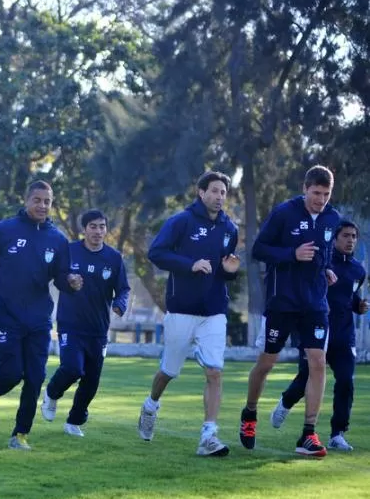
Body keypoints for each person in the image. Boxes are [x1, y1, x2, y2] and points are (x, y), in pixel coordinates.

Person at [137, 171, 239, 457]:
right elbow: (156, 253)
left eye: (223, 193)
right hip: (181, 310)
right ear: (201, 192)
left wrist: (230, 272)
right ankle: (150, 405)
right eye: (215, 191)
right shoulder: (181, 221)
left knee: (215, 372)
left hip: (214, 312)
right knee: (168, 371)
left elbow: (222, 269)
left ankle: (209, 435)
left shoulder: (230, 228)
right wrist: (189, 264)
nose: (220, 197)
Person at [241, 165, 341, 458]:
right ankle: (249, 414)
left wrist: (328, 269)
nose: (321, 199)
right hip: (282, 302)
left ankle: (308, 434)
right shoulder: (284, 213)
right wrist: (291, 254)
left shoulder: (332, 218)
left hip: (315, 304)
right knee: (266, 363)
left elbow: (324, 253)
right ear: (305, 188)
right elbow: (258, 250)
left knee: (318, 362)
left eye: (326, 194)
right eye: (316, 193)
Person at [0, 181, 80, 450]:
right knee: (10, 374)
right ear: (26, 200)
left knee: (35, 377)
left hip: (39, 319)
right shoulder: (5, 230)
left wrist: (72, 283)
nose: (42, 205)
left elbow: (61, 279)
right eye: (37, 200)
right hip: (6, 315)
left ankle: (20, 434)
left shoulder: (57, 239)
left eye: (47, 201)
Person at [269, 221, 367, 451]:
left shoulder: (358, 271)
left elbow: (348, 298)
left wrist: (359, 306)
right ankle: (285, 403)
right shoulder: (322, 263)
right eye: (345, 235)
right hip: (316, 331)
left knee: (345, 382)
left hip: (344, 336)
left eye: (353, 236)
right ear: (334, 239)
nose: (350, 240)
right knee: (306, 379)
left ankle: (337, 434)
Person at [42, 210, 130, 438]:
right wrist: (68, 280)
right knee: (72, 368)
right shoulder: (69, 251)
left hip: (98, 328)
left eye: (102, 226)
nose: (98, 231)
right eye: (93, 226)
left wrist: (120, 304)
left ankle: (74, 421)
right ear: (84, 229)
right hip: (70, 324)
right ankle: (52, 393)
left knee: (91, 379)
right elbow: (55, 277)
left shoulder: (113, 258)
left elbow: (123, 288)